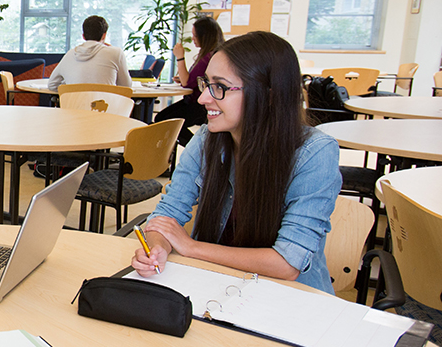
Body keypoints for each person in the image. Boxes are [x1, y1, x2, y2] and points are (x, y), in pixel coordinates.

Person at [132, 31, 341, 294]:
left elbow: (288, 263)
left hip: (288, 301)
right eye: (206, 83)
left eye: (219, 87)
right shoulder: (209, 137)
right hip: (214, 287)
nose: (203, 98)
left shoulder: (315, 153)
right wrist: (157, 247)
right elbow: (167, 214)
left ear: (268, 96)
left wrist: (192, 246)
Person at [155, 15, 224, 147]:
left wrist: (180, 57)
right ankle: (196, 149)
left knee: (165, 122)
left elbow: (187, 83)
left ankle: (197, 149)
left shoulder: (208, 57)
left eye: (195, 35)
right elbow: (191, 79)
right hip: (194, 101)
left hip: (197, 105)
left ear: (204, 36)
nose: (192, 39)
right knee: (162, 120)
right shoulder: (210, 54)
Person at [47, 15, 132, 91]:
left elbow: (52, 85)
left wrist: (73, 87)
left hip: (73, 107)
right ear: (104, 35)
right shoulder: (116, 53)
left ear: (83, 36)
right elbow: (126, 86)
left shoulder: (70, 54)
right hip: (104, 107)